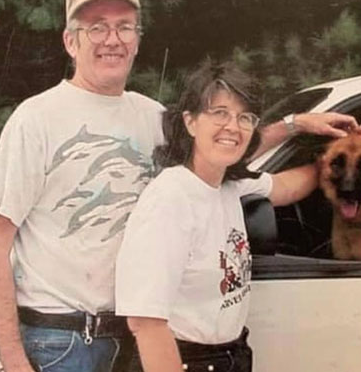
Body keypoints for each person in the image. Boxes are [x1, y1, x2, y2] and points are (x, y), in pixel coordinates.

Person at [0, 0, 356, 371]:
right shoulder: (35, 120)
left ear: (137, 40)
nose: (112, 39)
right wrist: (15, 361)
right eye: (96, 27)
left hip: (133, 339)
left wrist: (292, 126)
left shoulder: (151, 116)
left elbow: (218, 149)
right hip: (62, 344)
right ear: (71, 41)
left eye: (124, 26)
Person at [113, 62, 321, 372]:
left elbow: (286, 187)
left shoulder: (229, 186)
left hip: (230, 356)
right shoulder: (170, 200)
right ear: (190, 122)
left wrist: (331, 163)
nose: (232, 127)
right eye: (219, 113)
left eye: (244, 117)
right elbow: (145, 323)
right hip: (185, 360)